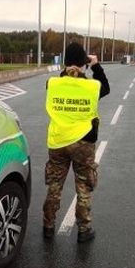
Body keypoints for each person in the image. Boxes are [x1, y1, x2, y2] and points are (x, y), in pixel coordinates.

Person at [42, 42, 110, 243]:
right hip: (83, 141)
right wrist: (95, 65)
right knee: (83, 185)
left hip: (58, 141)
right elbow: (105, 87)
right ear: (83, 63)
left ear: (64, 63)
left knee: (54, 184)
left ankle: (48, 225)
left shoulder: (52, 84)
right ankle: (84, 229)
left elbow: (64, 79)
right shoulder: (92, 87)